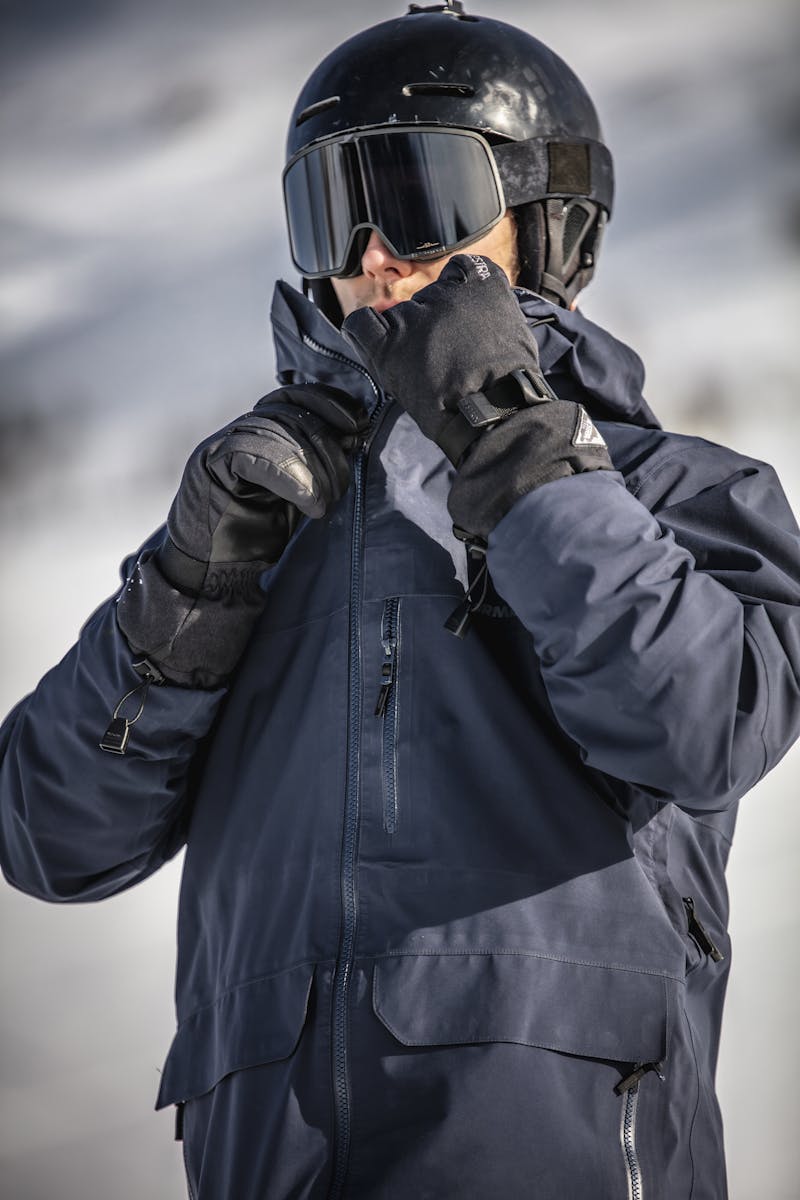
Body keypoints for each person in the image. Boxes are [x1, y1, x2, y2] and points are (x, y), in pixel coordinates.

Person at [1, 3, 799, 1197]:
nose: (373, 255)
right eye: (333, 210)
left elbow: (697, 723)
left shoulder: (682, 494)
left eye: (422, 195)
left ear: (547, 222)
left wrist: (514, 446)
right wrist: (187, 597)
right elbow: (48, 837)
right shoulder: (257, 524)